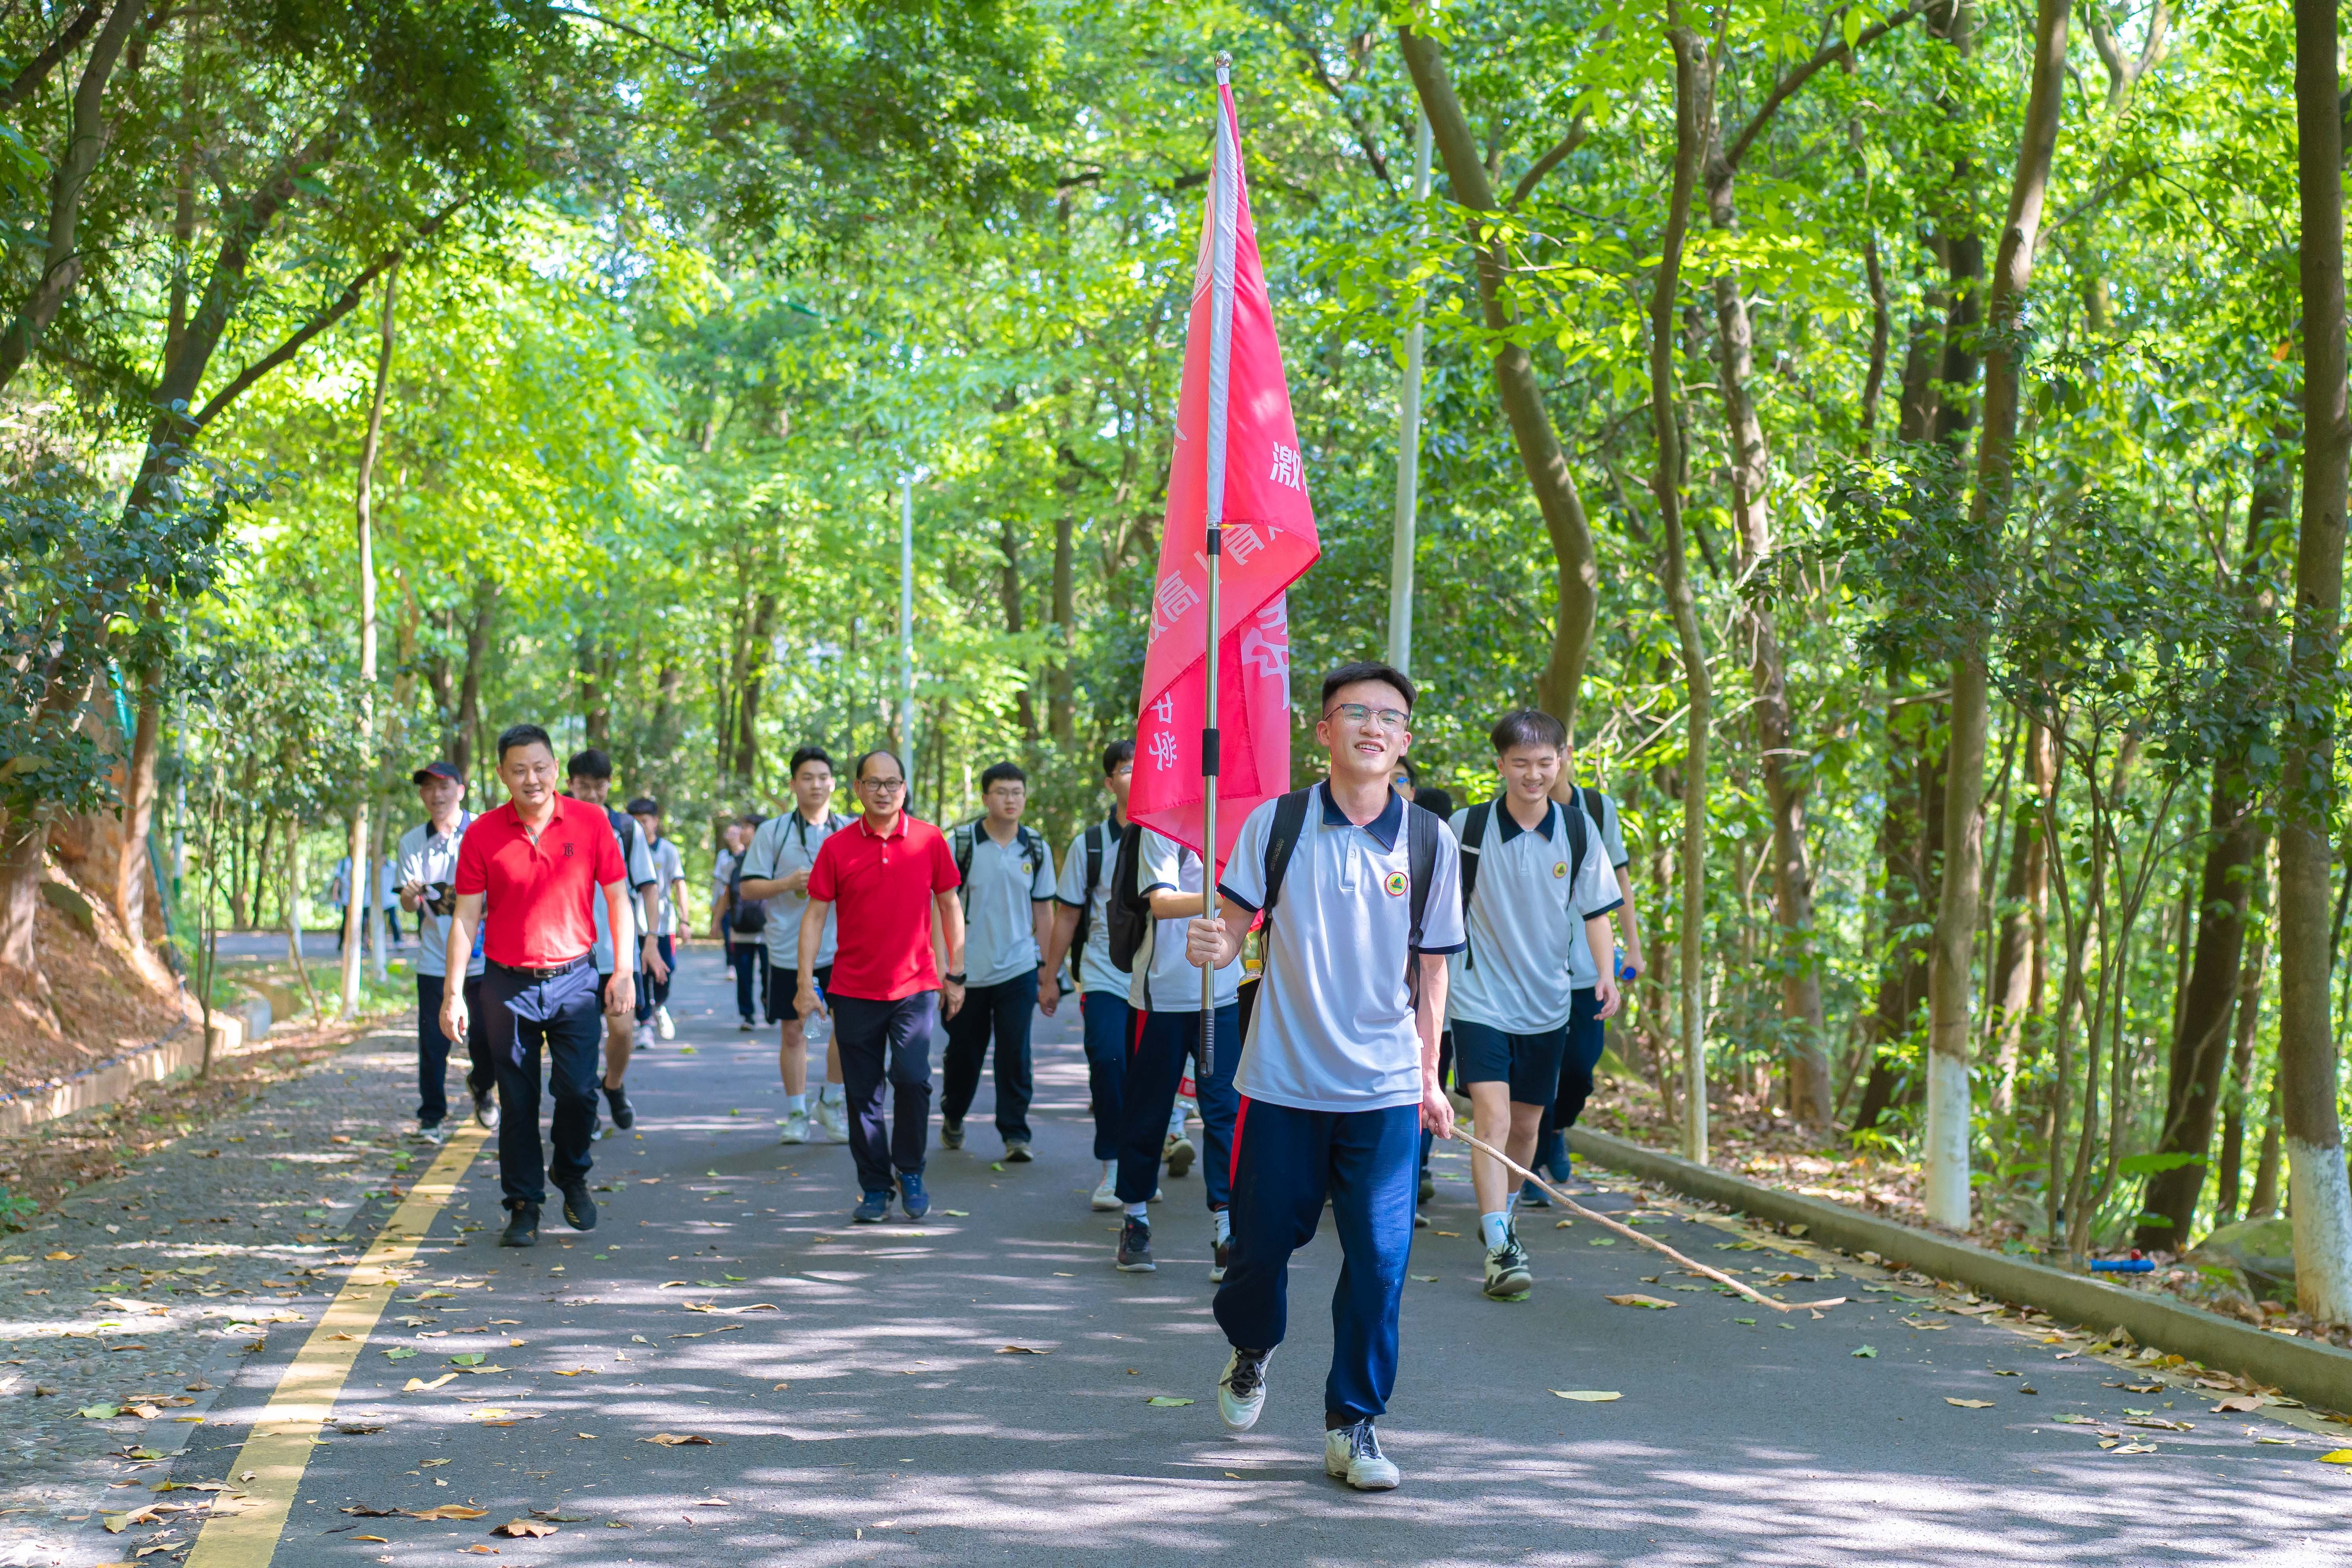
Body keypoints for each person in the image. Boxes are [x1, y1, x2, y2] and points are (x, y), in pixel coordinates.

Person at [1185, 661, 1464, 1492]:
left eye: (1389, 717)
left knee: (1381, 1260)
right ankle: (1251, 1346)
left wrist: (1429, 1074)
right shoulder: (1277, 824)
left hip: (1382, 1090)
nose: (1372, 727)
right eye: (1355, 713)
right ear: (1324, 731)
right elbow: (1234, 930)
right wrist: (1214, 943)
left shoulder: (1428, 840)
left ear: (1404, 740)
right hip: (1280, 1083)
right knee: (1258, 1249)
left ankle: (1355, 1422)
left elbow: (1435, 973)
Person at [440, 723, 635, 1247]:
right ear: (502, 774)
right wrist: (453, 991)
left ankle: (571, 1173)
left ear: (556, 769)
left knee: (577, 1089)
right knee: (518, 1099)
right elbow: (465, 917)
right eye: (520, 769)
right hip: (507, 984)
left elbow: (619, 899)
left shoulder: (592, 822)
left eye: (541, 767)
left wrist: (624, 971)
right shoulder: (482, 833)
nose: (533, 779)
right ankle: (523, 1203)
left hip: (576, 979)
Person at [1447, 711, 1621, 1298]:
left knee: (1527, 1128)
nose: (1533, 774)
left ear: (1562, 761)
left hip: (1547, 1003)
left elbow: (1598, 911)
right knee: (1492, 1121)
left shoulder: (1577, 831)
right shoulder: (1465, 828)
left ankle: (1505, 1215)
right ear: (1500, 765)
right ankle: (1500, 1246)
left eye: (1545, 763)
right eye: (1520, 763)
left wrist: (1606, 973)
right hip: (1478, 999)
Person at [795, 750, 966, 1223]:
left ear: (905, 789)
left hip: (914, 988)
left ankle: (909, 1170)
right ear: (858, 789)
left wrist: (957, 972)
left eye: (893, 783)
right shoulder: (838, 846)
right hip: (852, 990)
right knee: (862, 1095)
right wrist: (804, 982)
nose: (885, 791)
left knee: (913, 1080)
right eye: (874, 783)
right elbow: (814, 915)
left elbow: (950, 905)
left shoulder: (930, 840)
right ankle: (874, 1185)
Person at [1110, 824, 1245, 1278]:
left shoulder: (1245, 821)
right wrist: (1229, 897)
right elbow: (1162, 903)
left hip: (1223, 994)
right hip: (1162, 996)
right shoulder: (1163, 825)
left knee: (1225, 1111)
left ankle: (1227, 1228)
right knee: (1148, 1111)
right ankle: (1136, 1219)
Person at [1528, 766, 1647, 1198]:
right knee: (1539, 1070)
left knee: (1580, 1067)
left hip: (1586, 968)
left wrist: (1632, 948)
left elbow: (1620, 881)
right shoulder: (1517, 809)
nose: (1540, 769)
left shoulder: (1596, 808)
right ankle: (1533, 1170)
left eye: (1551, 756)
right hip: (1534, 969)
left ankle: (1559, 1127)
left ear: (1565, 757)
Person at [937, 762, 1054, 1163]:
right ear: (986, 797)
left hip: (1019, 967)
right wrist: (946, 969)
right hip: (968, 970)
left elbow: (1044, 911)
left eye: (1017, 792)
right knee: (965, 1053)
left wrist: (1048, 969)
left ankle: (1015, 1134)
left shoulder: (1035, 846)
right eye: (1002, 792)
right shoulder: (962, 842)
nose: (1011, 799)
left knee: (1014, 1052)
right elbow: (941, 905)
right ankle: (953, 1114)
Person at [737, 748, 853, 1145]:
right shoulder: (773, 831)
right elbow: (748, 887)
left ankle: (831, 1103)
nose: (816, 784)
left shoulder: (851, 829)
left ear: (834, 783)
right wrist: (788, 883)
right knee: (794, 1033)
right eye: (807, 777)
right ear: (793, 784)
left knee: (847, 1028)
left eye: (823, 777)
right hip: (787, 950)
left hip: (843, 949)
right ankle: (798, 1114)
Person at [1038, 741, 1134, 1210]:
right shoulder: (1090, 844)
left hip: (1163, 980)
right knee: (1109, 1061)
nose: (1135, 777)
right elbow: (1068, 916)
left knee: (1148, 1072)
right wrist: (1050, 977)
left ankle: (1143, 1164)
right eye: (1125, 770)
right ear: (1109, 781)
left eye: (1143, 768)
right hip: (1103, 974)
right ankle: (1114, 1168)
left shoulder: (1181, 837)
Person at [395, 760, 494, 1143]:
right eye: (428, 788)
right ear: (422, 794)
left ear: (461, 790)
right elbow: (408, 904)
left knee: (487, 1038)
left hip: (487, 958)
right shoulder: (411, 843)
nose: (437, 795)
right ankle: (431, 1118)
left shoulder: (485, 830)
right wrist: (408, 896)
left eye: (444, 786)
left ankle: (482, 1088)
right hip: (436, 959)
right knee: (433, 1041)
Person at [566, 750, 663, 1134]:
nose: (591, 794)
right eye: (583, 786)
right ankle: (587, 1109)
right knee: (581, 1041)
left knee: (623, 1032)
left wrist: (651, 940)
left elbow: (649, 888)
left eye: (599, 786)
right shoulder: (556, 826)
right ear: (570, 783)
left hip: (618, 953)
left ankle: (614, 1085)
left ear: (609, 785)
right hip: (571, 957)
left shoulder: (625, 829)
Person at [626, 797, 688, 1042]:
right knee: (638, 973)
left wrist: (685, 920)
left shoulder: (668, 850)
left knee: (664, 971)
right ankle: (644, 1025)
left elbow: (679, 884)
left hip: (663, 923)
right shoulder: (625, 846)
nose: (640, 827)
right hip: (633, 923)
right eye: (635, 822)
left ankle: (659, 1006)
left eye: (644, 821)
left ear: (655, 821)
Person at [713, 816, 763, 1029]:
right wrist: (716, 922)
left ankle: (769, 1004)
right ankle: (747, 1015)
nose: (741, 831)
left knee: (769, 974)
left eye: (747, 828)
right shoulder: (732, 862)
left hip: (769, 929)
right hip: (741, 927)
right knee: (744, 973)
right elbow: (725, 895)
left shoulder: (774, 860)